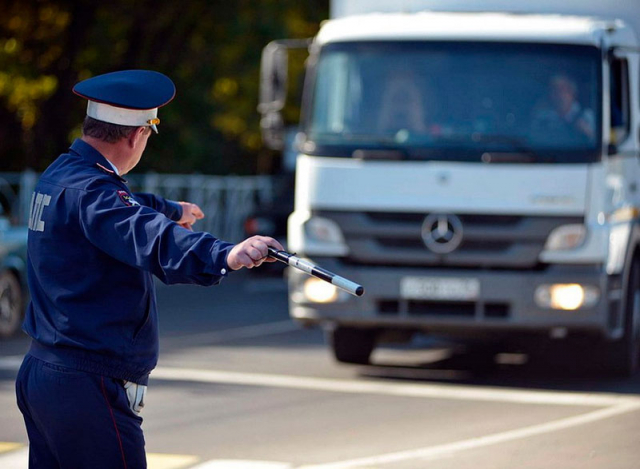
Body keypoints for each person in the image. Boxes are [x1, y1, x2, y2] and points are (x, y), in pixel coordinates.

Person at [15, 69, 283, 468]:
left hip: (44, 372)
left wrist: (171, 210)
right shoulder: (94, 192)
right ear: (135, 135)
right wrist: (224, 254)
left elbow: (123, 207)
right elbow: (148, 235)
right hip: (88, 386)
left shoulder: (62, 175)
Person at [531, 73, 596, 143]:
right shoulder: (542, 117)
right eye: (553, 90)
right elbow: (533, 140)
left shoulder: (587, 116)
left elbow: (598, 141)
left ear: (572, 93)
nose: (558, 94)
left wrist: (586, 131)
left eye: (561, 89)